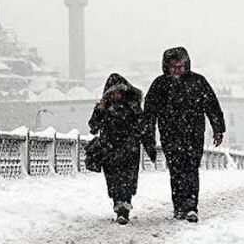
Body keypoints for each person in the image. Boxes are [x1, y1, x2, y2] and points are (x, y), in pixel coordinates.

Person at [142, 47, 225, 223]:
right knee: (176, 171)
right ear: (167, 67)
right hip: (170, 135)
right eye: (173, 67)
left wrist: (218, 129)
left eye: (180, 66)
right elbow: (149, 113)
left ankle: (191, 206)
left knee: (191, 170)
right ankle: (179, 206)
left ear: (186, 65)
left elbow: (212, 106)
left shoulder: (198, 82)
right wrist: (148, 135)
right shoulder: (159, 85)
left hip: (193, 134)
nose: (177, 70)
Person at [88, 73, 156, 225]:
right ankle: (119, 205)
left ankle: (124, 207)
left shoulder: (132, 106)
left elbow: (143, 128)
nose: (117, 95)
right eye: (113, 92)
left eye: (119, 91)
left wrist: (149, 147)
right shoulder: (104, 107)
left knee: (127, 180)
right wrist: (99, 110)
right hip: (110, 150)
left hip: (129, 150)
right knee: (113, 180)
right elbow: (93, 127)